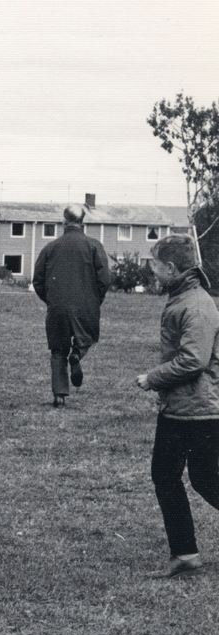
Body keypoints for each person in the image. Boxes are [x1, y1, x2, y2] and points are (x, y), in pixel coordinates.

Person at [134, 235, 219, 578]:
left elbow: (194, 360)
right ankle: (184, 554)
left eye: (154, 264)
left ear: (171, 267)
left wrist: (153, 378)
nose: (152, 271)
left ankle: (185, 553)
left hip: (198, 410)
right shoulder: (184, 298)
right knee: (186, 476)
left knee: (196, 478)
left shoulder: (196, 305)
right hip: (183, 407)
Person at [32, 204, 111, 407]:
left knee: (58, 350)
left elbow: (37, 280)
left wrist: (51, 300)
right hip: (87, 304)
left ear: (64, 222)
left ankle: (59, 395)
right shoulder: (94, 246)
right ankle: (77, 354)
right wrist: (94, 300)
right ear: (82, 222)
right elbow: (104, 280)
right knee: (87, 336)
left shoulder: (50, 247)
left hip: (57, 306)